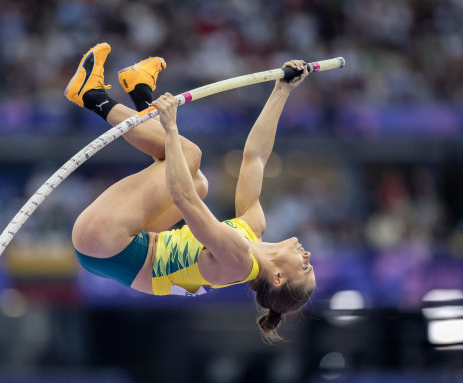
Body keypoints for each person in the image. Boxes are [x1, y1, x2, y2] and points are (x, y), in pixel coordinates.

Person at [65, 43, 315, 341]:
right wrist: (281, 91)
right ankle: (140, 92)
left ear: (277, 277)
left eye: (304, 267)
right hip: (122, 246)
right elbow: (255, 158)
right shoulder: (252, 228)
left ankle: (92, 96)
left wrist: (171, 130)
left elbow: (184, 201)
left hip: (105, 241)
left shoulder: (238, 261)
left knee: (188, 154)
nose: (308, 255)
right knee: (199, 182)